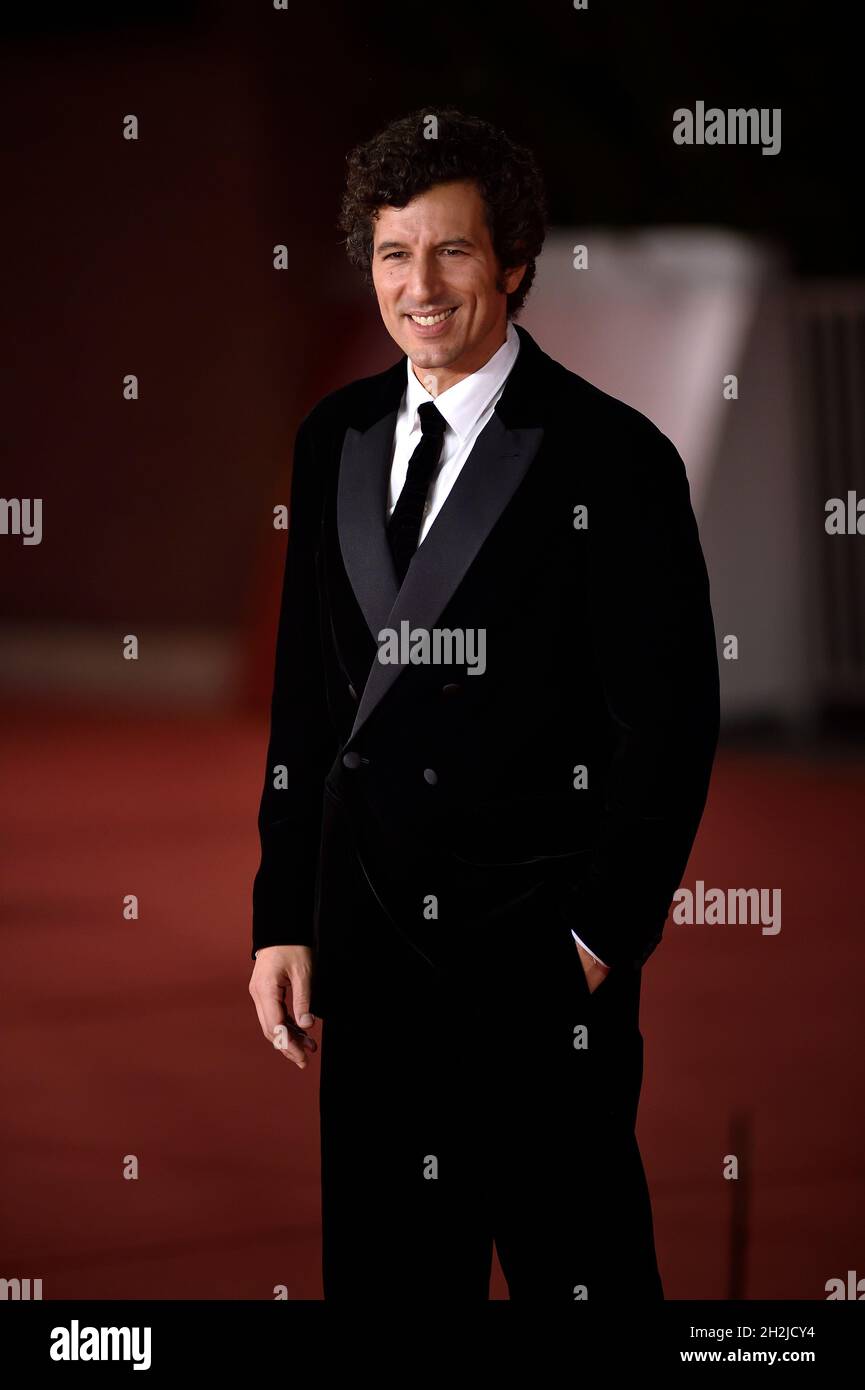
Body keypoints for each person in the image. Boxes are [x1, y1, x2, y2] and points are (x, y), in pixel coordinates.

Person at [248, 108, 720, 1301]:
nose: (418, 286)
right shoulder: (334, 439)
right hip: (369, 966)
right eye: (394, 253)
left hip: (534, 973)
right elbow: (307, 708)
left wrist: (596, 943)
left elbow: (666, 726)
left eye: (451, 252)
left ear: (513, 262)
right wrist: (279, 916)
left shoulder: (613, 461)